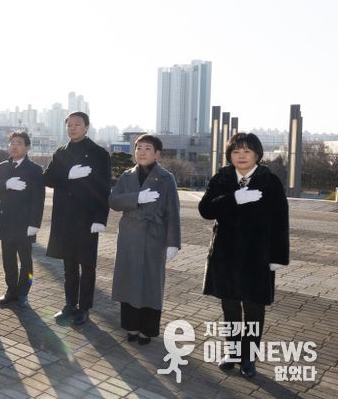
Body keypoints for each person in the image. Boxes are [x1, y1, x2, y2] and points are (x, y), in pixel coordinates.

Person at [198, 132, 289, 378]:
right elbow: (205, 210)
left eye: (247, 151)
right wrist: (234, 198)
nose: (241, 156)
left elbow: (280, 221)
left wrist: (278, 257)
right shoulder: (222, 178)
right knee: (229, 308)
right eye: (236, 151)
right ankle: (233, 352)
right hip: (225, 255)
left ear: (257, 154)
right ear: (230, 155)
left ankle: (249, 357)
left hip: (257, 256)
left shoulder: (270, 181)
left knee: (253, 310)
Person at [109, 134, 181, 345]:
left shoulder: (166, 178)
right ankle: (131, 326)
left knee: (151, 283)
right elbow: (113, 201)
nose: (141, 152)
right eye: (138, 148)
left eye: (147, 148)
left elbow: (173, 212)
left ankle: (147, 330)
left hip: (154, 237)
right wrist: (136, 198)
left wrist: (173, 243)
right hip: (129, 236)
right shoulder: (127, 176)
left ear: (157, 154)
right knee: (129, 282)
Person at [43, 112, 111, 325]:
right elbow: (47, 178)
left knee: (87, 266)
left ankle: (84, 307)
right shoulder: (61, 153)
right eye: (69, 125)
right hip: (65, 217)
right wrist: (68, 175)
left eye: (77, 124)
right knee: (69, 266)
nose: (72, 128)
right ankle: (70, 304)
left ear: (87, 127)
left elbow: (103, 188)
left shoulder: (99, 154)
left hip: (88, 218)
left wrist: (100, 218)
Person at [0, 132, 45, 308]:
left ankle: (23, 293)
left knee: (26, 261)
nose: (14, 146)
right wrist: (6, 183)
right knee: (8, 260)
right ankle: (11, 290)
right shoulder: (3, 166)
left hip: (25, 223)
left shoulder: (35, 170)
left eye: (19, 143)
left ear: (27, 147)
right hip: (6, 221)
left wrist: (34, 224)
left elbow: (39, 199)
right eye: (12, 142)